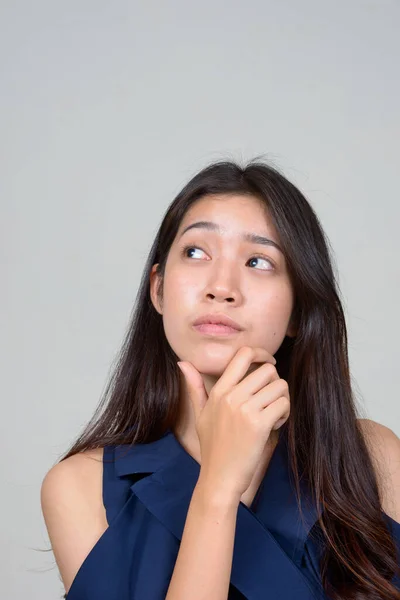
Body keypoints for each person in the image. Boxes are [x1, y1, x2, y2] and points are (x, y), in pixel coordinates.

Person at [41, 159, 400, 600]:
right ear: (158, 289)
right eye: (196, 253)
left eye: (258, 260)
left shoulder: (371, 459)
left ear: (298, 311)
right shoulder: (82, 487)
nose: (221, 286)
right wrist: (217, 487)